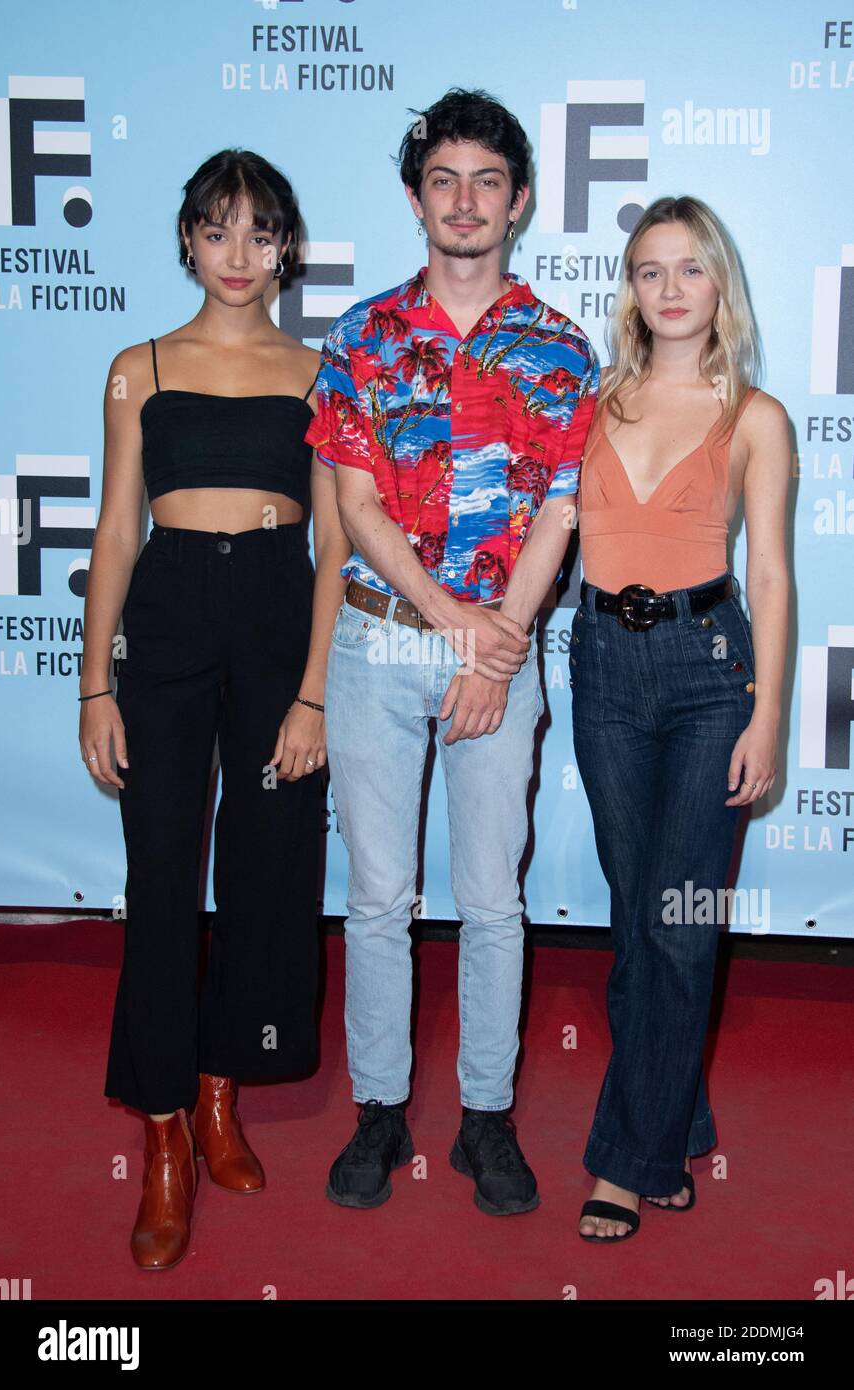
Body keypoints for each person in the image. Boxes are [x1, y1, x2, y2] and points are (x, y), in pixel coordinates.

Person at [305, 89, 599, 1216]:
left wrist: (496, 650)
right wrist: (449, 623)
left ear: (517, 201)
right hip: (381, 644)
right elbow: (359, 504)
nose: (464, 201)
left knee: (490, 900)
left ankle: (485, 1120)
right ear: (416, 197)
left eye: (486, 181)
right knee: (379, 898)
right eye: (443, 180)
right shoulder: (363, 338)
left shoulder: (559, 347)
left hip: (503, 651)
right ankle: (379, 1112)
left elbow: (559, 510)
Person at [79, 149, 350, 1269]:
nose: (237, 254)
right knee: (159, 876)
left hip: (279, 612)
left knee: (269, 865)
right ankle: (161, 1138)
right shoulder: (136, 367)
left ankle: (221, 1091)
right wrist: (96, 679)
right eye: (215, 229)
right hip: (172, 615)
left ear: (286, 246)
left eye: (259, 232)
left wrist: (312, 692)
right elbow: (112, 530)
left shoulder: (321, 371)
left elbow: (335, 544)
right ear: (187, 241)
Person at [571, 195, 790, 1242]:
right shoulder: (591, 402)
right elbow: (542, 532)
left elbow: (774, 576)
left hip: (710, 676)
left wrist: (769, 718)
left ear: (719, 285)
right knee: (634, 918)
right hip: (603, 666)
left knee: (680, 919)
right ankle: (676, 1110)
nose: (667, 289)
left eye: (688, 268)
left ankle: (627, 1158)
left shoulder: (753, 416)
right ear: (628, 289)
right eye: (648, 270)